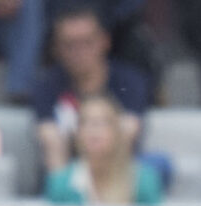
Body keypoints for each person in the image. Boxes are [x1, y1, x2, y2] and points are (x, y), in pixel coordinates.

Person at [32, 7, 153, 176]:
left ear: (104, 41)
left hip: (119, 180)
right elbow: (50, 140)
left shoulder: (130, 81)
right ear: (56, 48)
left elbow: (128, 134)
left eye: (86, 42)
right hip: (67, 178)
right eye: (69, 45)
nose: (78, 52)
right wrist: (64, 190)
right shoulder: (46, 86)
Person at [44, 93, 165, 203]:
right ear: (77, 133)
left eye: (103, 122)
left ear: (118, 131)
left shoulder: (144, 181)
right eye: (85, 122)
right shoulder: (59, 184)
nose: (93, 130)